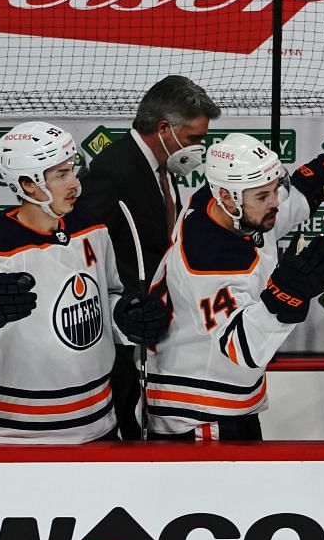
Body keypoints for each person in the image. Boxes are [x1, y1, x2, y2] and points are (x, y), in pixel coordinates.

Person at [135, 133, 324, 441]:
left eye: (274, 190)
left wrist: (312, 183)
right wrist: (287, 296)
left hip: (225, 402)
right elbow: (243, 348)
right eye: (262, 196)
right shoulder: (209, 259)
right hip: (199, 414)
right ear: (226, 196)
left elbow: (270, 217)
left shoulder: (216, 205)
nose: (275, 202)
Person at [0, 121, 123, 444]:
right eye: (60, 175)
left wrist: (125, 316)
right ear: (28, 184)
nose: (75, 184)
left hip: (97, 425)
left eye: (72, 169)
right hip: (14, 434)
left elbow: (109, 297)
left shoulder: (92, 227)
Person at [67, 75, 219, 439]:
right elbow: (80, 247)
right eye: (194, 138)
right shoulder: (114, 171)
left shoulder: (161, 167)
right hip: (123, 335)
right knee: (128, 428)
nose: (199, 148)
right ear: (165, 128)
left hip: (153, 332)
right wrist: (122, 307)